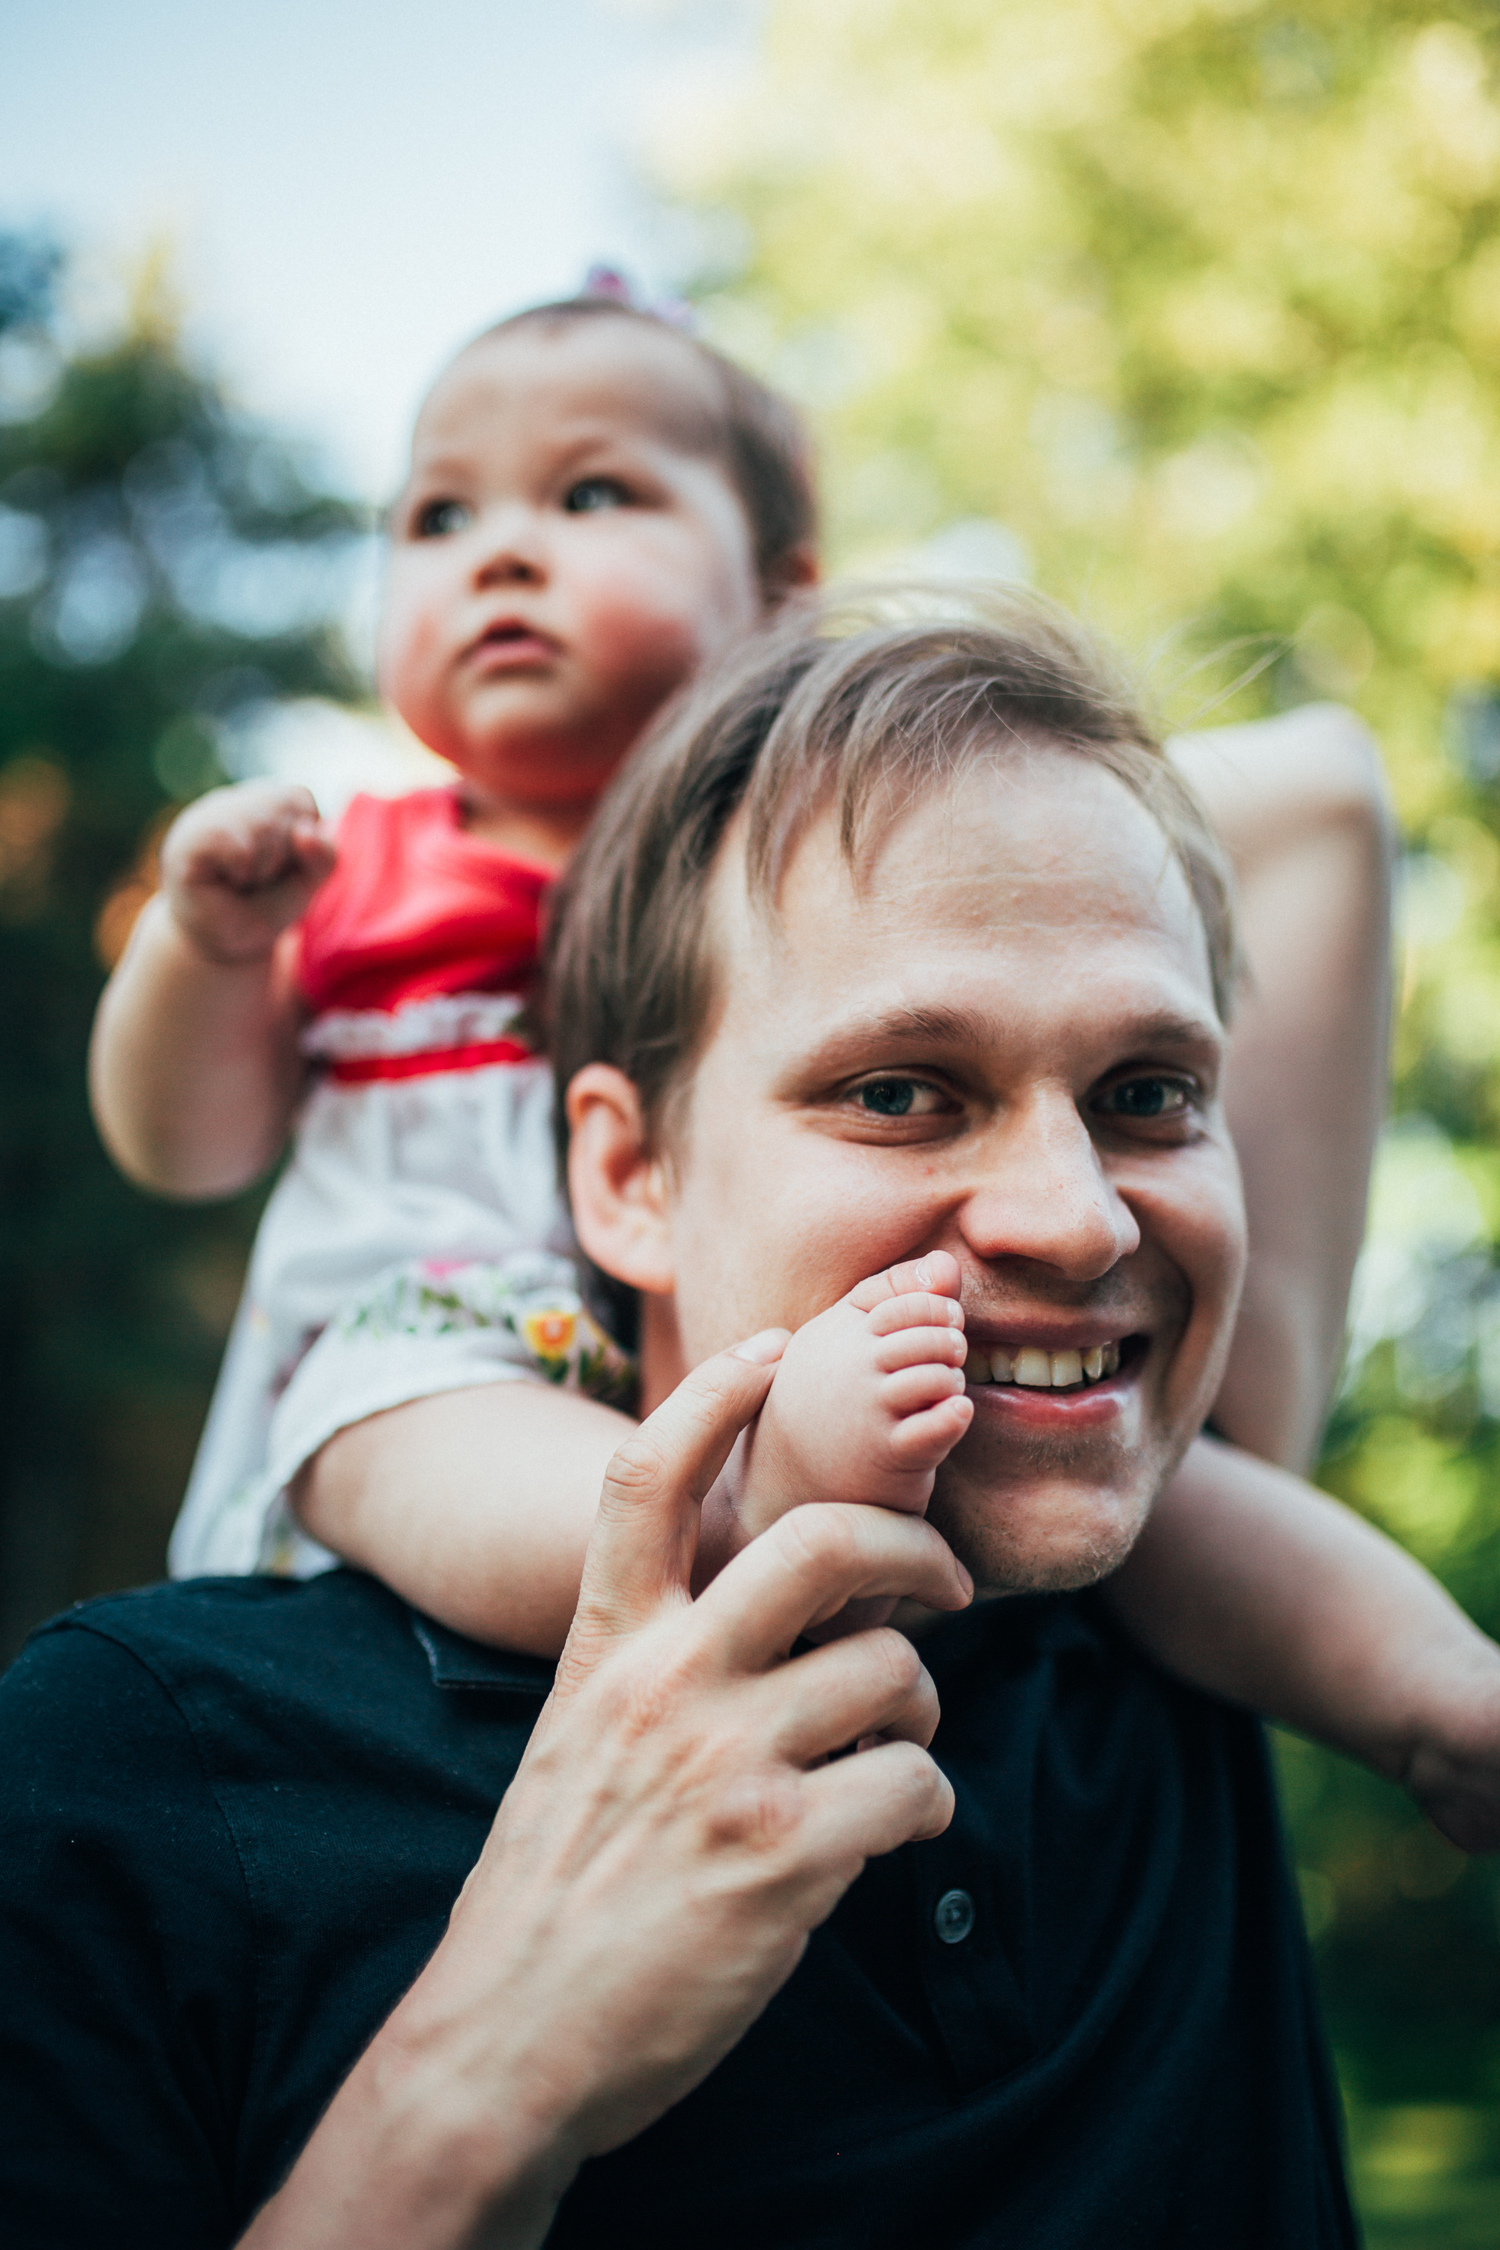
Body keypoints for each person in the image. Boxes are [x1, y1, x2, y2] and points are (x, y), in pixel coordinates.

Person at [9, 600, 1500, 2247]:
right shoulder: (121, 1768)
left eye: (1148, 1090)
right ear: (627, 1173)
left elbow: (1326, 796)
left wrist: (944, 799)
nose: (1080, 1225)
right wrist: (490, 2074)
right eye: (900, 1088)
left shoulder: (1162, 1593)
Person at [90, 292, 1398, 1695]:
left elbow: (1317, 793)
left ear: (783, 594)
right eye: (437, 519)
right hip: (424, 1363)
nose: (505, 554)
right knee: (438, 1426)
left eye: (594, 493)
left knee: (1189, 1486)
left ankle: (1440, 1697)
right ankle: (740, 1513)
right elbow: (187, 1146)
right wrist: (207, 945)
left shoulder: (815, 862)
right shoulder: (355, 866)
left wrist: (1041, 821)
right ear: (623, 1158)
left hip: (698, 1353)